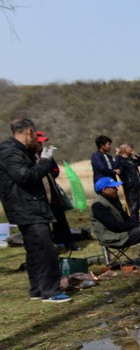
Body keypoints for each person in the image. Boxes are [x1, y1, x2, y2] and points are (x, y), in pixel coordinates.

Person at [0, 118, 71, 302]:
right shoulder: (9, 152)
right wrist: (45, 162)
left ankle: (37, 290)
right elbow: (25, 176)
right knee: (45, 249)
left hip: (29, 205)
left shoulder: (22, 150)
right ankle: (51, 291)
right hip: (26, 207)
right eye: (35, 134)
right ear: (28, 132)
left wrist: (38, 156)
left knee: (34, 250)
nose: (37, 140)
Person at [91, 176, 140, 267]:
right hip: (112, 237)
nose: (117, 189)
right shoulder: (98, 205)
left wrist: (138, 224)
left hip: (121, 233)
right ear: (104, 189)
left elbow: (126, 218)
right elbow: (113, 226)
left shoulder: (112, 200)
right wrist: (135, 226)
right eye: (113, 187)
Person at [114, 142, 140, 217]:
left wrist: (137, 155)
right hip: (129, 186)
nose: (131, 149)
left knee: (136, 206)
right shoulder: (121, 161)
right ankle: (132, 221)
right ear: (125, 150)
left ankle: (136, 221)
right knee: (132, 206)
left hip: (136, 185)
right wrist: (117, 155)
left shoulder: (131, 160)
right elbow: (118, 169)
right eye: (129, 148)